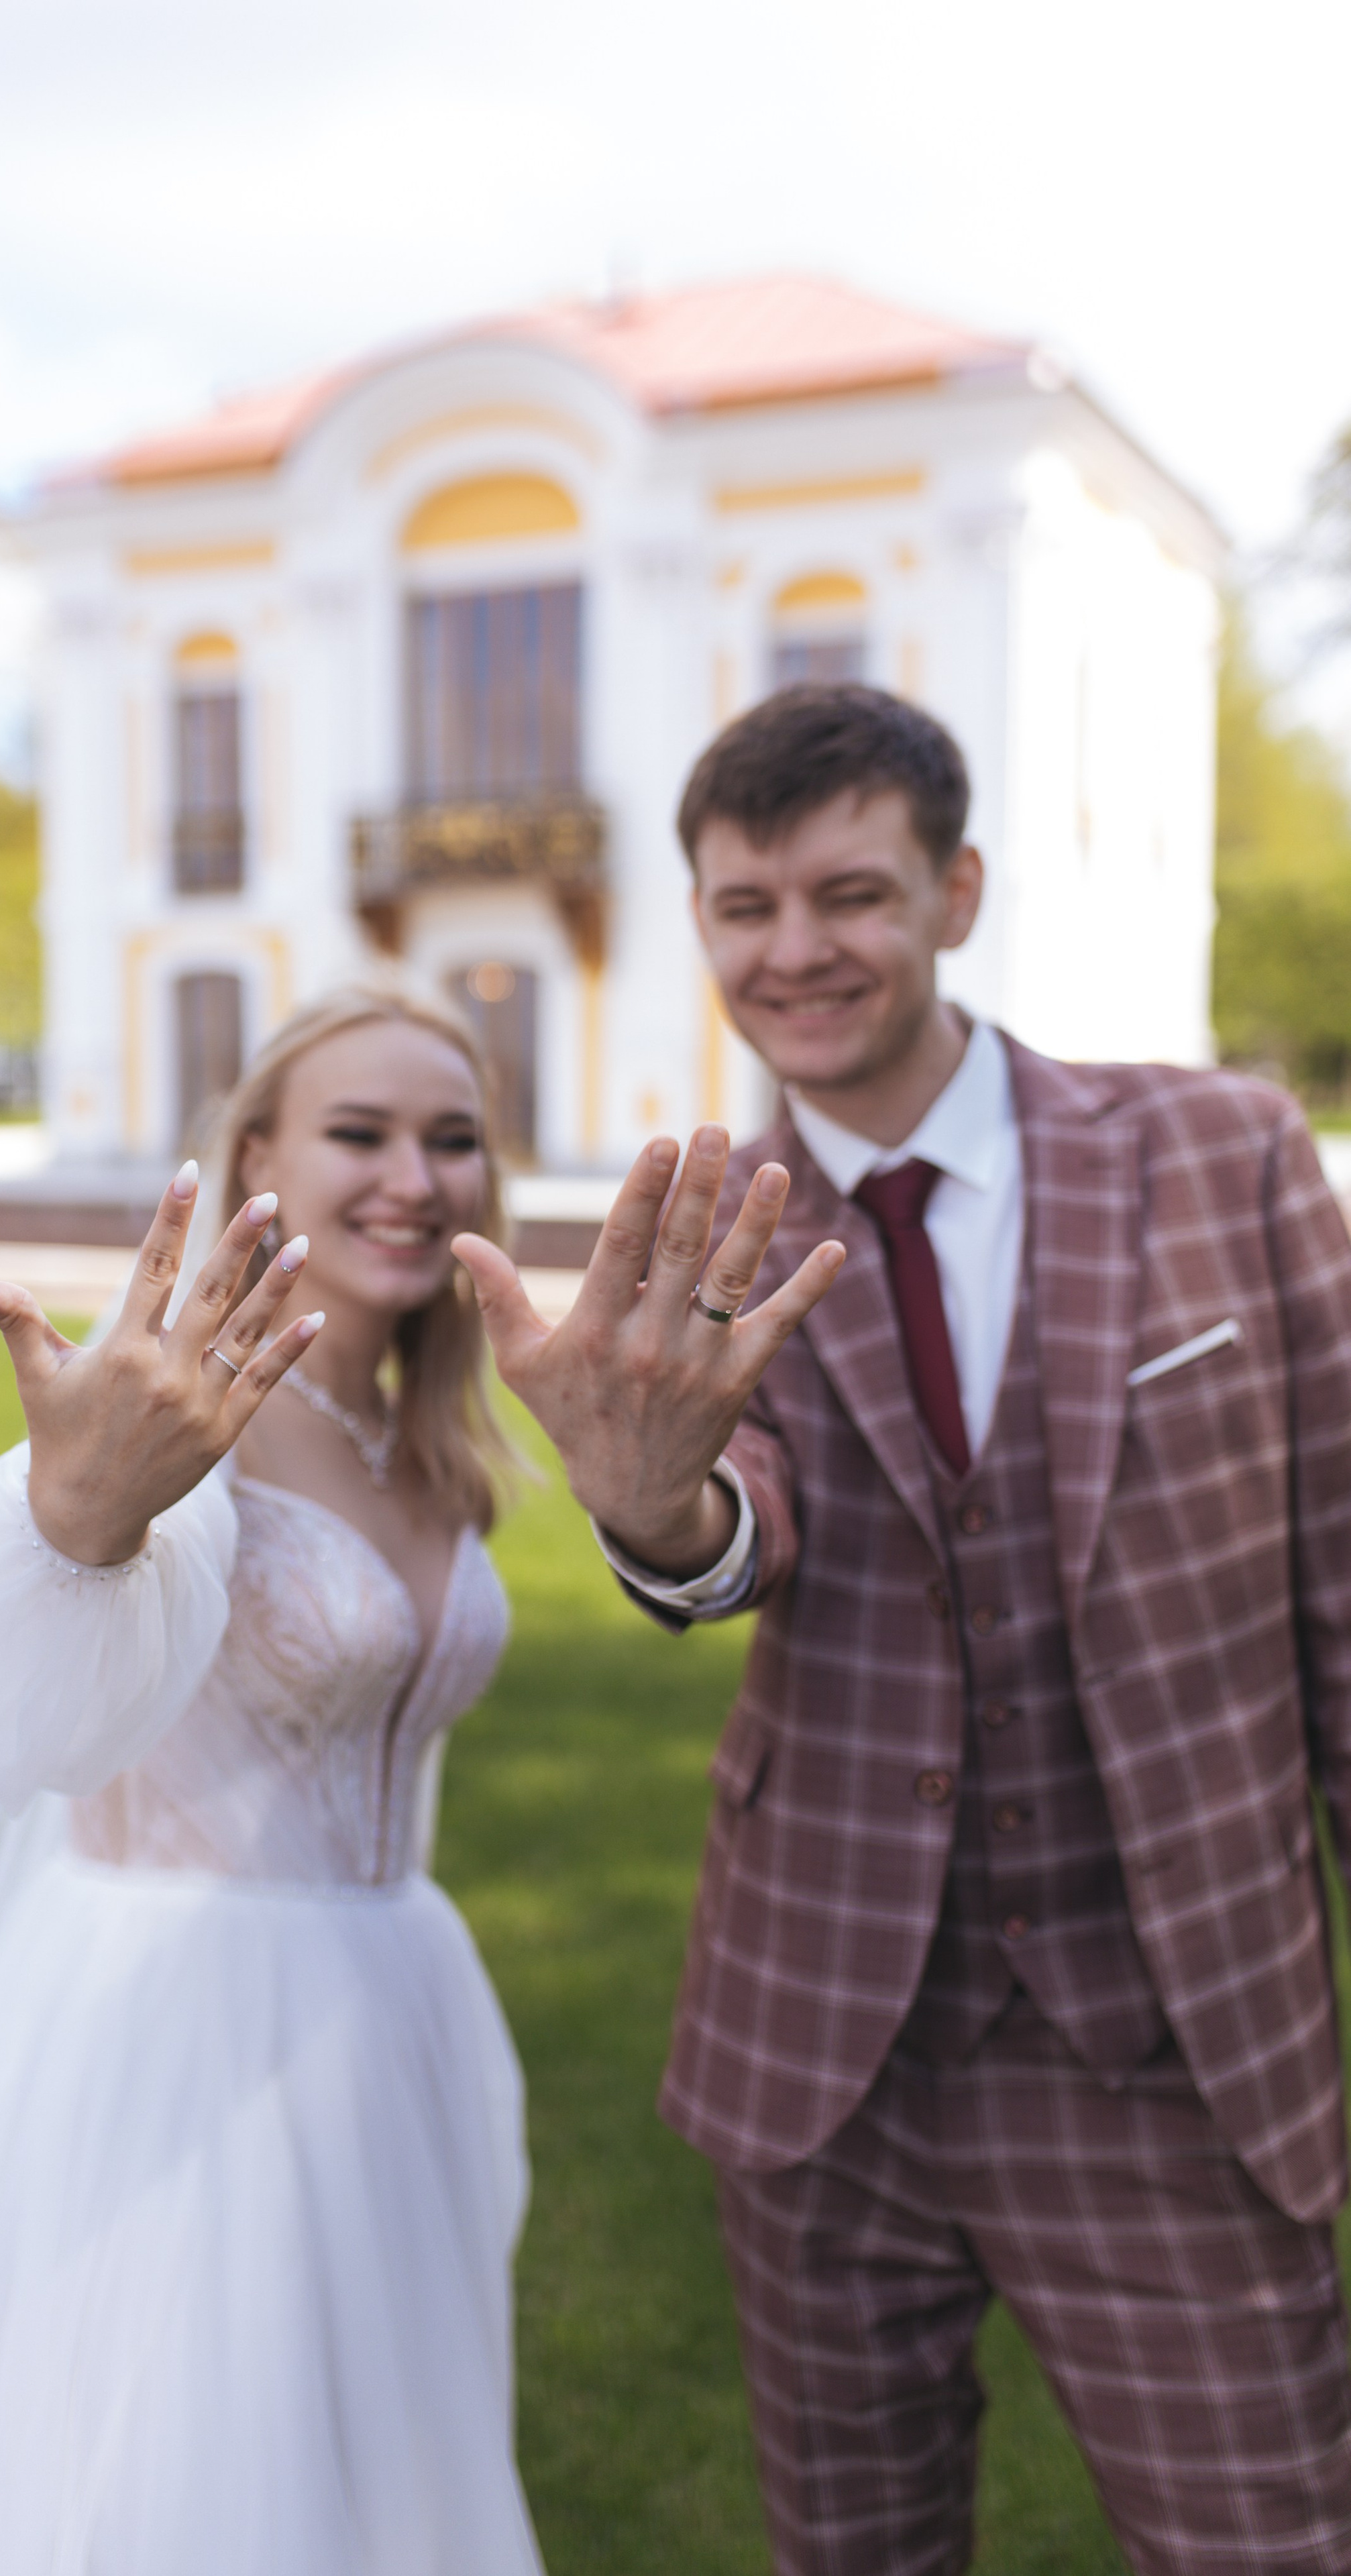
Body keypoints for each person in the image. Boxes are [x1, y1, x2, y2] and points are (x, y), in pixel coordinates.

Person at [453, 683, 1351, 2575]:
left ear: (956, 888)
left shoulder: (1225, 1154)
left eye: (848, 895)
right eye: (744, 909)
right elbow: (740, 1526)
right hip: (821, 2050)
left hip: (1167, 2040)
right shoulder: (709, 1228)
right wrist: (649, 1504)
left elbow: (1340, 1562)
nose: (796, 953)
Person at [0, 987, 545, 2576]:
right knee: (174, 2481)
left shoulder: (422, 1434)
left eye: (452, 1140)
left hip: (394, 2001)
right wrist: (74, 1529)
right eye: (357, 1134)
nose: (413, 1179)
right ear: (255, 1155)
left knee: (376, 2469)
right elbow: (23, 1702)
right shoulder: (180, 1408)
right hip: (178, 2011)